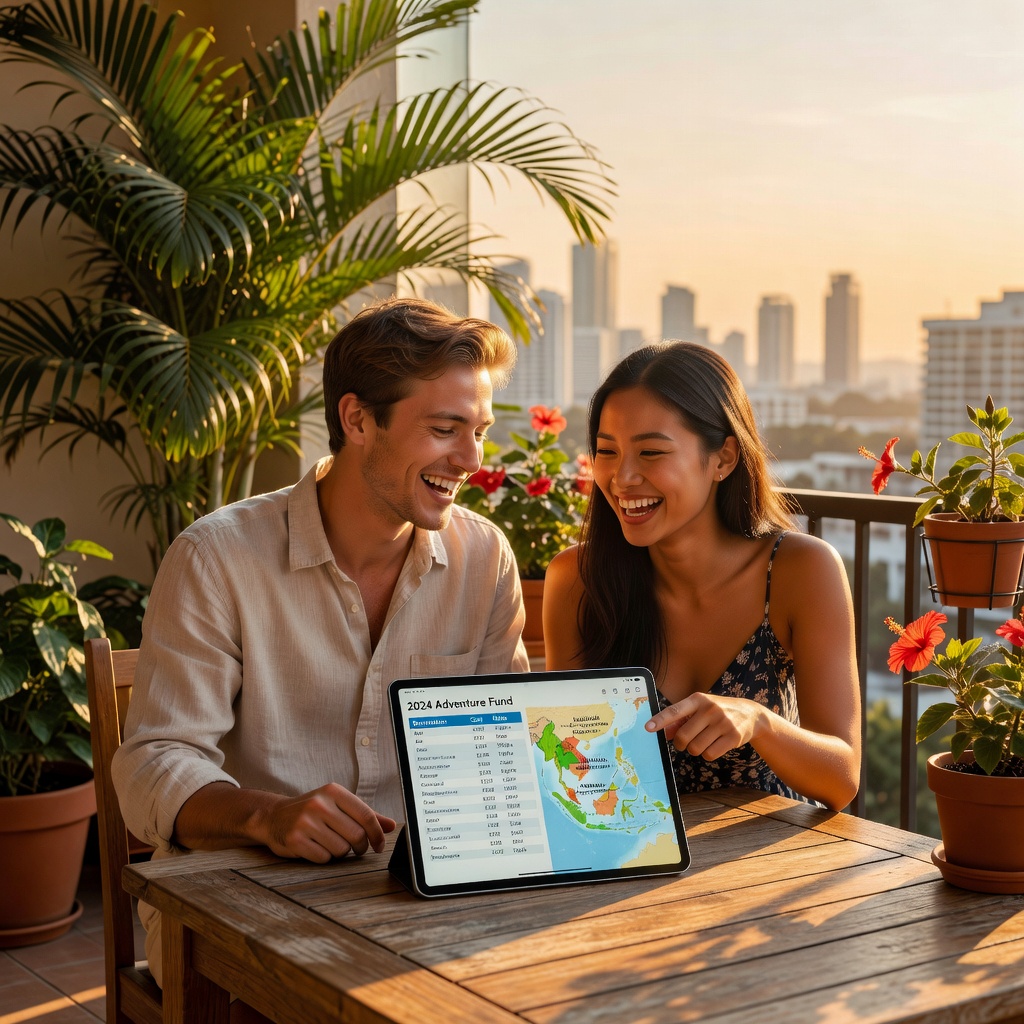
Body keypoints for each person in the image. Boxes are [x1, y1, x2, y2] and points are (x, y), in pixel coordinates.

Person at [112, 297, 530, 987]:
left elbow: (501, 748)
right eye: (445, 429)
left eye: (478, 430)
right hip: (239, 908)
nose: (470, 459)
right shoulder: (218, 556)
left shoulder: (485, 559)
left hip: (419, 904)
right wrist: (268, 819)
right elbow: (156, 763)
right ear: (358, 419)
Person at [543, 342, 860, 810]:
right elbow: (565, 768)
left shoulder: (801, 570)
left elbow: (841, 779)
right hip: (632, 864)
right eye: (606, 452)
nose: (622, 476)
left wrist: (758, 721)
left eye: (650, 452)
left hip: (774, 862)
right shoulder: (577, 579)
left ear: (723, 459)